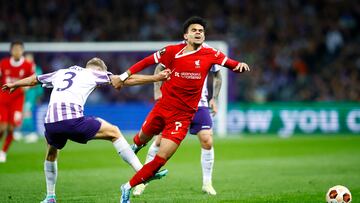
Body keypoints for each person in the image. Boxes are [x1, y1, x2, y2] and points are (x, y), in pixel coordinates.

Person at [111, 16, 250, 203]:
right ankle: (136, 147)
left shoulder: (212, 54)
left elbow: (232, 65)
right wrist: (124, 75)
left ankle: (128, 187)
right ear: (186, 35)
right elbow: (147, 62)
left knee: (162, 157)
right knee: (143, 138)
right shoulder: (171, 51)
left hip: (183, 116)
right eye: (194, 30)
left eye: (201, 31)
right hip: (163, 107)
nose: (199, 33)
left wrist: (240, 67)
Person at [2, 57, 171, 203]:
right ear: (99, 69)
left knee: (52, 152)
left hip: (51, 123)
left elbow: (34, 80)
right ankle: (143, 174)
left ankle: (50, 196)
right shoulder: (93, 73)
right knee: (114, 132)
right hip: (72, 120)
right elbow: (123, 80)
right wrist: (156, 77)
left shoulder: (61, 72)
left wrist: (14, 84)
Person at [132, 63, 222, 196]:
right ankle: (142, 181)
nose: (199, 40)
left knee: (207, 140)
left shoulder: (210, 53)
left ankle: (207, 183)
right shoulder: (176, 51)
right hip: (176, 104)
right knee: (159, 141)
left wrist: (214, 98)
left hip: (200, 104)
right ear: (186, 39)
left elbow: (217, 75)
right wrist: (157, 91)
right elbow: (159, 68)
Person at [0, 41, 34, 163]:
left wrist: (28, 87)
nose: (17, 51)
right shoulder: (3, 64)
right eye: (15, 49)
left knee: (10, 128)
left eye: (19, 49)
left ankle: (3, 152)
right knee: (2, 128)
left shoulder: (27, 65)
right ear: (11, 51)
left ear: (22, 50)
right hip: (3, 99)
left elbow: (33, 80)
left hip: (17, 100)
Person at [21, 53, 44, 143]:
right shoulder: (22, 68)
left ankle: (32, 133)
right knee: (24, 113)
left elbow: (39, 83)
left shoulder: (36, 69)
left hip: (31, 95)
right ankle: (23, 132)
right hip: (22, 95)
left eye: (29, 58)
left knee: (27, 113)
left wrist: (38, 95)